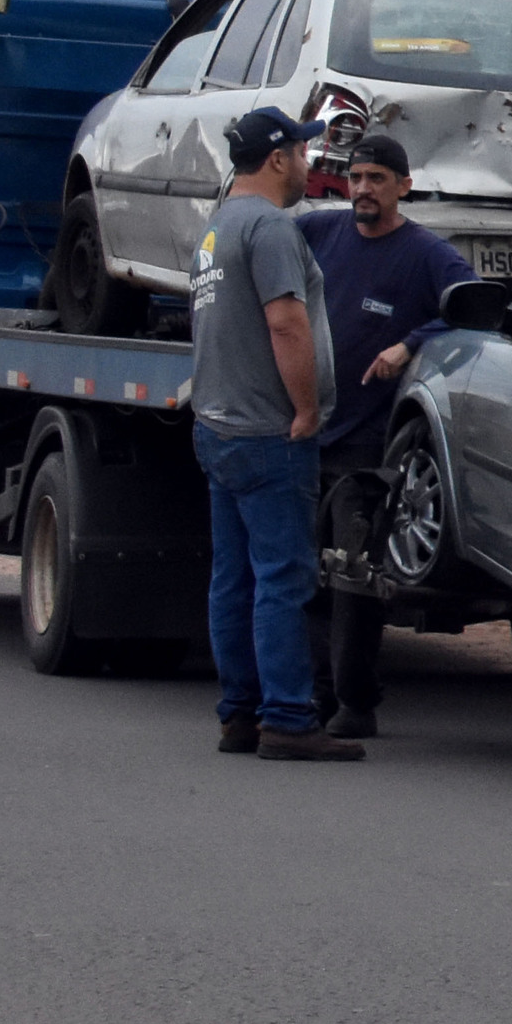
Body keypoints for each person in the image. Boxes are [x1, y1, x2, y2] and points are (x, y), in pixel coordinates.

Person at [192, 105, 361, 761]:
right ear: (277, 158)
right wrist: (307, 409)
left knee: (233, 579)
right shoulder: (267, 228)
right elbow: (286, 322)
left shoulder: (218, 227)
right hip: (269, 431)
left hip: (219, 425)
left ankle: (239, 713)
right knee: (283, 579)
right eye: (302, 150)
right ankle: (288, 717)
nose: (310, 162)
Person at [301, 134, 477, 738]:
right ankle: (312, 697)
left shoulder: (426, 254)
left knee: (353, 576)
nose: (363, 190)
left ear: (404, 185)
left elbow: (474, 305)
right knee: (304, 580)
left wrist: (411, 343)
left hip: (366, 450)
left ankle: (355, 703)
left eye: (377, 178)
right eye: (355, 178)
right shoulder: (321, 234)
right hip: (305, 433)